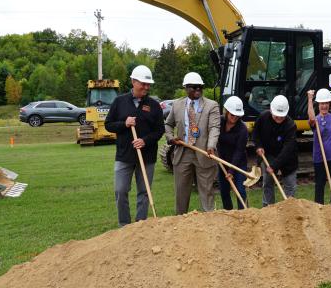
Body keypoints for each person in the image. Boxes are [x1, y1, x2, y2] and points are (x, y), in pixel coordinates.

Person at [105, 65, 165, 227]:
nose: (146, 87)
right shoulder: (119, 102)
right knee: (121, 190)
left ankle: (140, 225)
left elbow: (160, 130)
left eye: (148, 84)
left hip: (147, 157)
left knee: (144, 192)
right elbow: (108, 125)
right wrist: (124, 123)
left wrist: (145, 140)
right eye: (143, 84)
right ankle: (124, 226)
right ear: (133, 81)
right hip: (124, 156)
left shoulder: (154, 105)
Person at [165, 72, 220, 214]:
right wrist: (171, 138)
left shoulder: (211, 105)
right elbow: (168, 124)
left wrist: (211, 146)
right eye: (194, 87)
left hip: (204, 153)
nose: (198, 90)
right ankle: (180, 222)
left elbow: (214, 128)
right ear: (186, 88)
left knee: (207, 191)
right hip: (183, 153)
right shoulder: (177, 105)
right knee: (181, 192)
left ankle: (209, 221)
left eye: (200, 87)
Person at [253, 95, 298, 206]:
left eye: (281, 117)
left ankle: (290, 210)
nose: (279, 119)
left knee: (290, 185)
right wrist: (258, 146)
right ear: (271, 110)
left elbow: (287, 150)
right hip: (269, 154)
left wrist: (274, 166)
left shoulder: (290, 125)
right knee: (268, 183)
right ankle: (268, 208)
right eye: (276, 116)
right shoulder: (263, 117)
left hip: (288, 159)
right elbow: (256, 133)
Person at [217, 96, 248, 210]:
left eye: (237, 115)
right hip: (222, 161)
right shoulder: (219, 122)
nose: (234, 117)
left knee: (240, 189)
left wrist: (231, 171)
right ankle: (229, 213)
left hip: (238, 163)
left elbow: (239, 151)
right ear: (226, 112)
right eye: (232, 115)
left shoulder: (242, 130)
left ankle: (244, 213)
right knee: (224, 191)